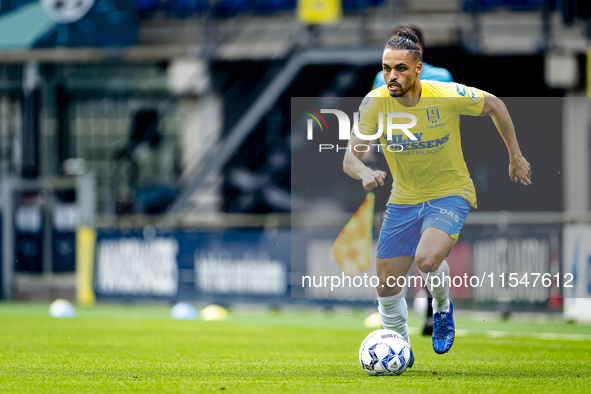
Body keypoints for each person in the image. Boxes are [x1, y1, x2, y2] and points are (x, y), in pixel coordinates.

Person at [343, 28, 531, 367]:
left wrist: (515, 156)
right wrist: (365, 172)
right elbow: (349, 158)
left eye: (399, 68)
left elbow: (496, 105)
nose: (391, 76)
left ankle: (441, 307)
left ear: (418, 67)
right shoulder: (374, 101)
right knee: (386, 287)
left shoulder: (444, 92)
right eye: (386, 68)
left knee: (427, 259)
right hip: (403, 199)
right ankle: (398, 347)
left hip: (450, 193)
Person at [372, 26, 454, 336]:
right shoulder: (381, 79)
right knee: (399, 248)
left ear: (419, 51)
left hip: (435, 173)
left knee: (429, 251)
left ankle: (436, 308)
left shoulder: (441, 77)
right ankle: (398, 313)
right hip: (397, 174)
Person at [372, 26, 452, 91]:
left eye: (402, 46)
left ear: (419, 48)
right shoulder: (380, 78)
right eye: (391, 46)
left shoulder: (442, 77)